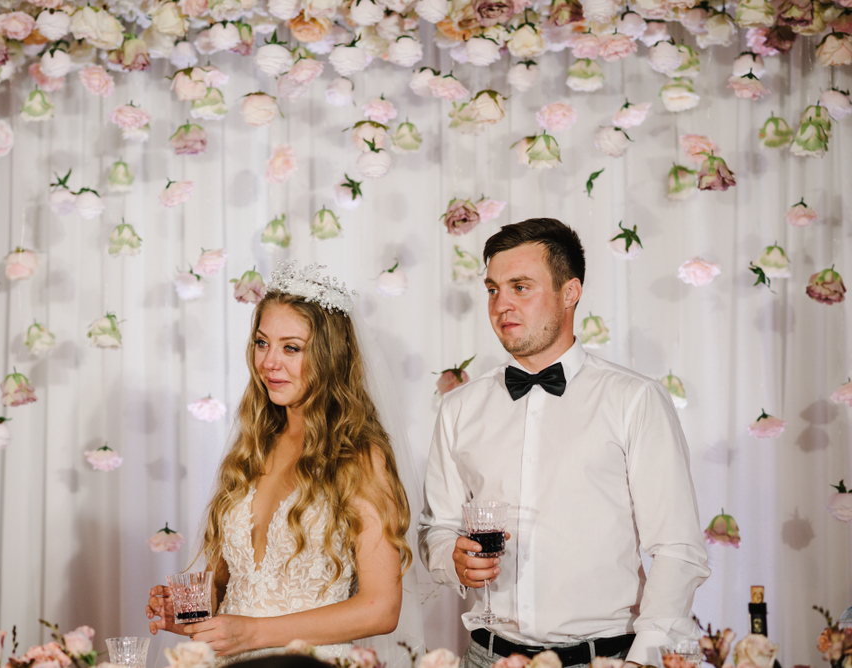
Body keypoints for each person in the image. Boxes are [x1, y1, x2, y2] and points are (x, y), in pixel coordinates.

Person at [418, 219, 711, 668]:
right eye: (493, 289)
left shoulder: (635, 399)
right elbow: (437, 527)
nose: (502, 305)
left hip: (603, 659)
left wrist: (643, 660)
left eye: (520, 287)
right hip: (486, 656)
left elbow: (677, 548)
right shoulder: (458, 407)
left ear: (570, 292)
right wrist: (449, 557)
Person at [146, 262, 424, 665]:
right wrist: (190, 611)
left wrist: (253, 633)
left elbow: (381, 609)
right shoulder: (251, 449)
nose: (269, 363)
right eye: (262, 343)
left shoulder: (359, 458)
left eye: (291, 347)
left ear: (330, 356)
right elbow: (230, 585)